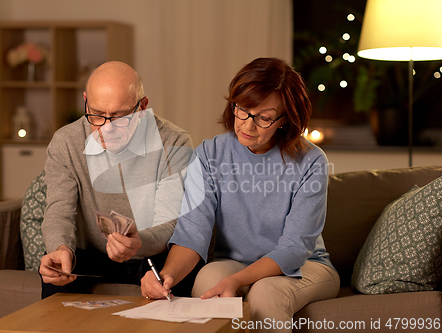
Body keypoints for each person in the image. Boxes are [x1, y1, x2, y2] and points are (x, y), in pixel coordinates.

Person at [141, 57, 340, 332]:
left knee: (266, 292)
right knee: (208, 279)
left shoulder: (311, 161)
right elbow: (192, 233)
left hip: (304, 267)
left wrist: (239, 280)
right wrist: (165, 277)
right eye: (242, 110)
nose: (248, 126)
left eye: (264, 118)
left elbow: (294, 249)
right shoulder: (210, 154)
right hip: (232, 262)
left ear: (285, 119)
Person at [39, 61, 193, 298]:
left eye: (120, 117)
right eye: (97, 115)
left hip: (151, 253)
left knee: (174, 272)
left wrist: (139, 241)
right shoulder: (66, 142)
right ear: (86, 101)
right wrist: (61, 248)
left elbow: (170, 223)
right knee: (59, 273)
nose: (106, 128)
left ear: (142, 107)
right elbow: (59, 210)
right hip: (92, 255)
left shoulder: (173, 142)